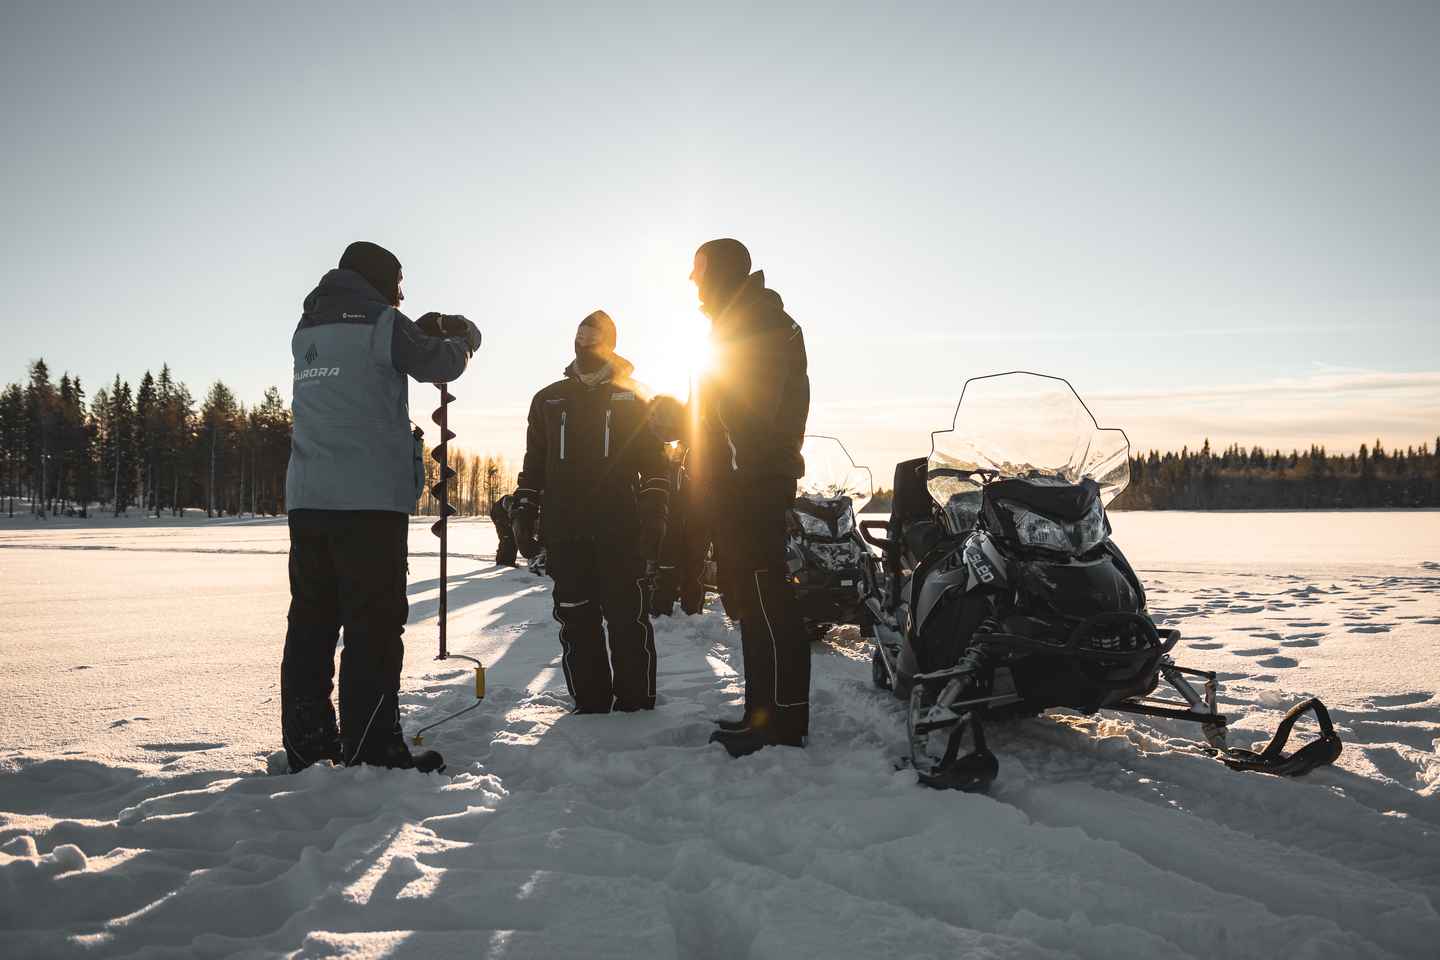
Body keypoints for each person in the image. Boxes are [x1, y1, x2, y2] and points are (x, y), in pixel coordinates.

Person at [282, 240, 481, 774]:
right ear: (380, 280)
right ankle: (372, 749)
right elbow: (436, 361)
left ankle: (308, 744)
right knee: (372, 625)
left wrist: (414, 324)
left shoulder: (308, 328)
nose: (401, 294)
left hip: (308, 499)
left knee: (312, 623)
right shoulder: (382, 324)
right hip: (368, 503)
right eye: (398, 282)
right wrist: (462, 338)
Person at [512, 310, 669, 713]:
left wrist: (654, 514)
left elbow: (655, 464)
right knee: (576, 618)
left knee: (625, 617)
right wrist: (524, 510)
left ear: (610, 344)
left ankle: (636, 701)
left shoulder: (635, 396)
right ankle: (591, 700)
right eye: (579, 336)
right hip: (565, 530)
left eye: (593, 337)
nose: (583, 343)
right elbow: (534, 463)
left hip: (620, 527)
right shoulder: (549, 398)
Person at [690, 238, 811, 757]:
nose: (692, 283)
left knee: (766, 599)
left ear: (720, 273)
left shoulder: (755, 322)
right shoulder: (741, 320)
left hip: (753, 485)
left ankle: (780, 723)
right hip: (744, 483)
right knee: (753, 600)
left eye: (698, 271)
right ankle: (761, 711)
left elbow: (749, 413)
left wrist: (731, 474)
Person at [491, 493, 519, 567]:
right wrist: (503, 523)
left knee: (513, 541)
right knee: (505, 540)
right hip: (500, 523)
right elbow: (494, 517)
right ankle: (500, 561)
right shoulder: (498, 509)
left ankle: (510, 562)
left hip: (508, 521)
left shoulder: (514, 502)